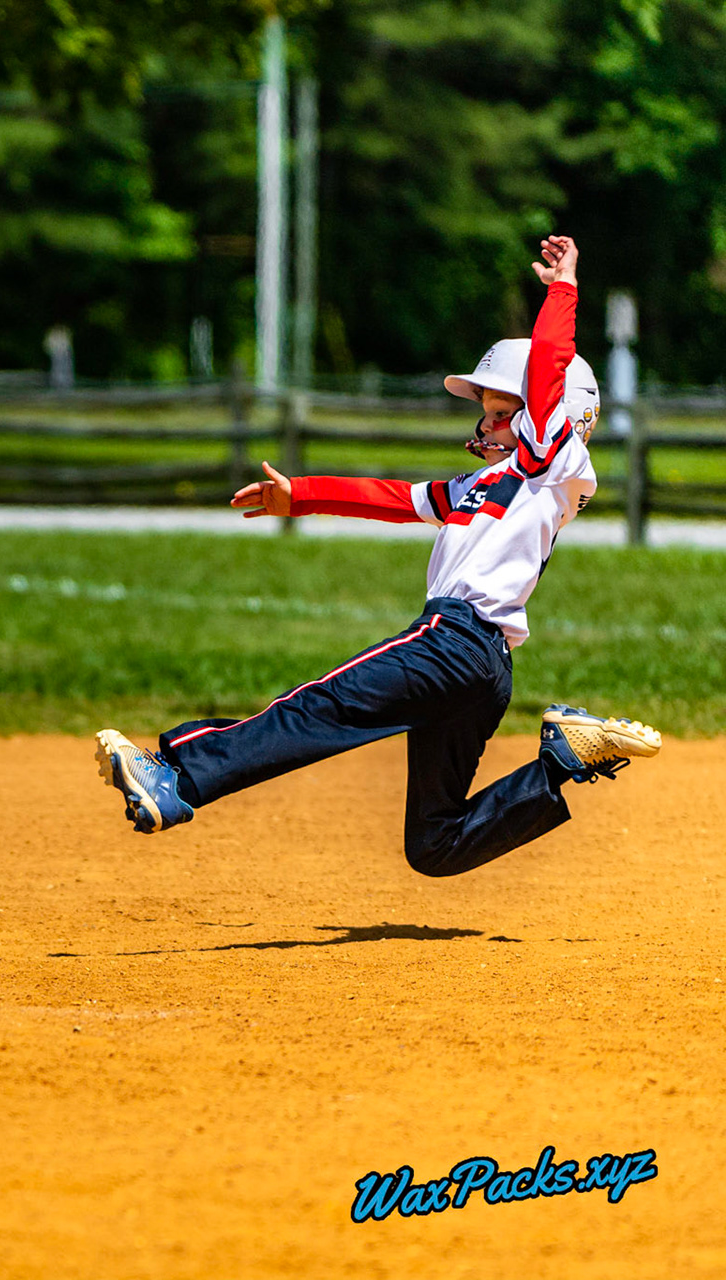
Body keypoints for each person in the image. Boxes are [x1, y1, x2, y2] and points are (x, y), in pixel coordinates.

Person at [94, 235, 661, 876]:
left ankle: (177, 777)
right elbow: (394, 499)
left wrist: (563, 289)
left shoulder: (550, 461)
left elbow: (551, 367)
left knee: (318, 707)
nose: (487, 423)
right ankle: (560, 762)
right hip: (482, 671)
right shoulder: (487, 484)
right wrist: (301, 495)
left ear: (552, 416)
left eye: (504, 412)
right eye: (487, 412)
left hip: (453, 642)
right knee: (435, 844)